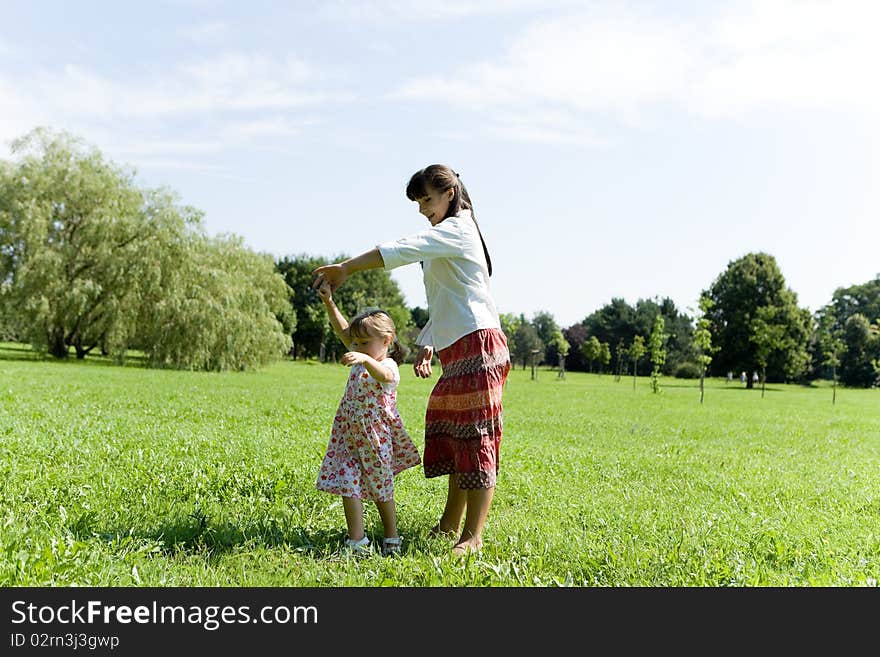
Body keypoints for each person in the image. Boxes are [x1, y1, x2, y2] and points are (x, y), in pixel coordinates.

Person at [312, 164, 511, 555]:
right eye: (418, 202)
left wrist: (348, 267)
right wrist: (429, 342)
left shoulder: (458, 229)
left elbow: (404, 249)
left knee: (476, 436)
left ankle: (473, 536)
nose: (422, 208)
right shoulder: (446, 236)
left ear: (449, 194)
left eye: (427, 199)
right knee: (454, 433)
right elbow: (448, 297)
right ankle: (450, 523)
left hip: (480, 345)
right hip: (458, 348)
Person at [315, 281, 421, 556]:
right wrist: (329, 302)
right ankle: (357, 542)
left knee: (381, 489)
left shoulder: (388, 365)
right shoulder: (361, 353)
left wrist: (364, 358)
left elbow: (383, 377)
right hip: (349, 435)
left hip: (375, 438)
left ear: (386, 341)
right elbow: (342, 329)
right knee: (348, 484)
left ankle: (391, 537)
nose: (357, 346)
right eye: (356, 342)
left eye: (364, 343)